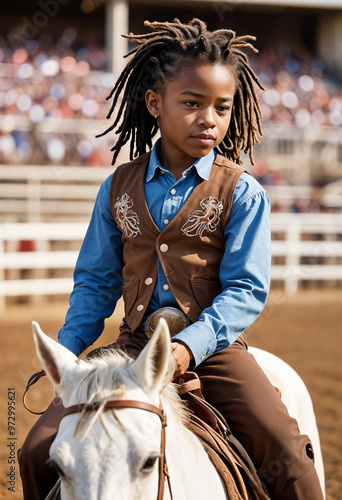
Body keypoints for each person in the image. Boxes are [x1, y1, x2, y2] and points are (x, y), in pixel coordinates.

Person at [19, 19, 324, 500]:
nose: (210, 119)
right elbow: (96, 283)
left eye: (222, 108)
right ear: (155, 103)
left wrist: (187, 347)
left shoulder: (242, 192)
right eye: (192, 104)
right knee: (34, 450)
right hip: (131, 347)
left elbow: (246, 291)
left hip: (216, 352)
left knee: (285, 447)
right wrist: (69, 353)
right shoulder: (116, 187)